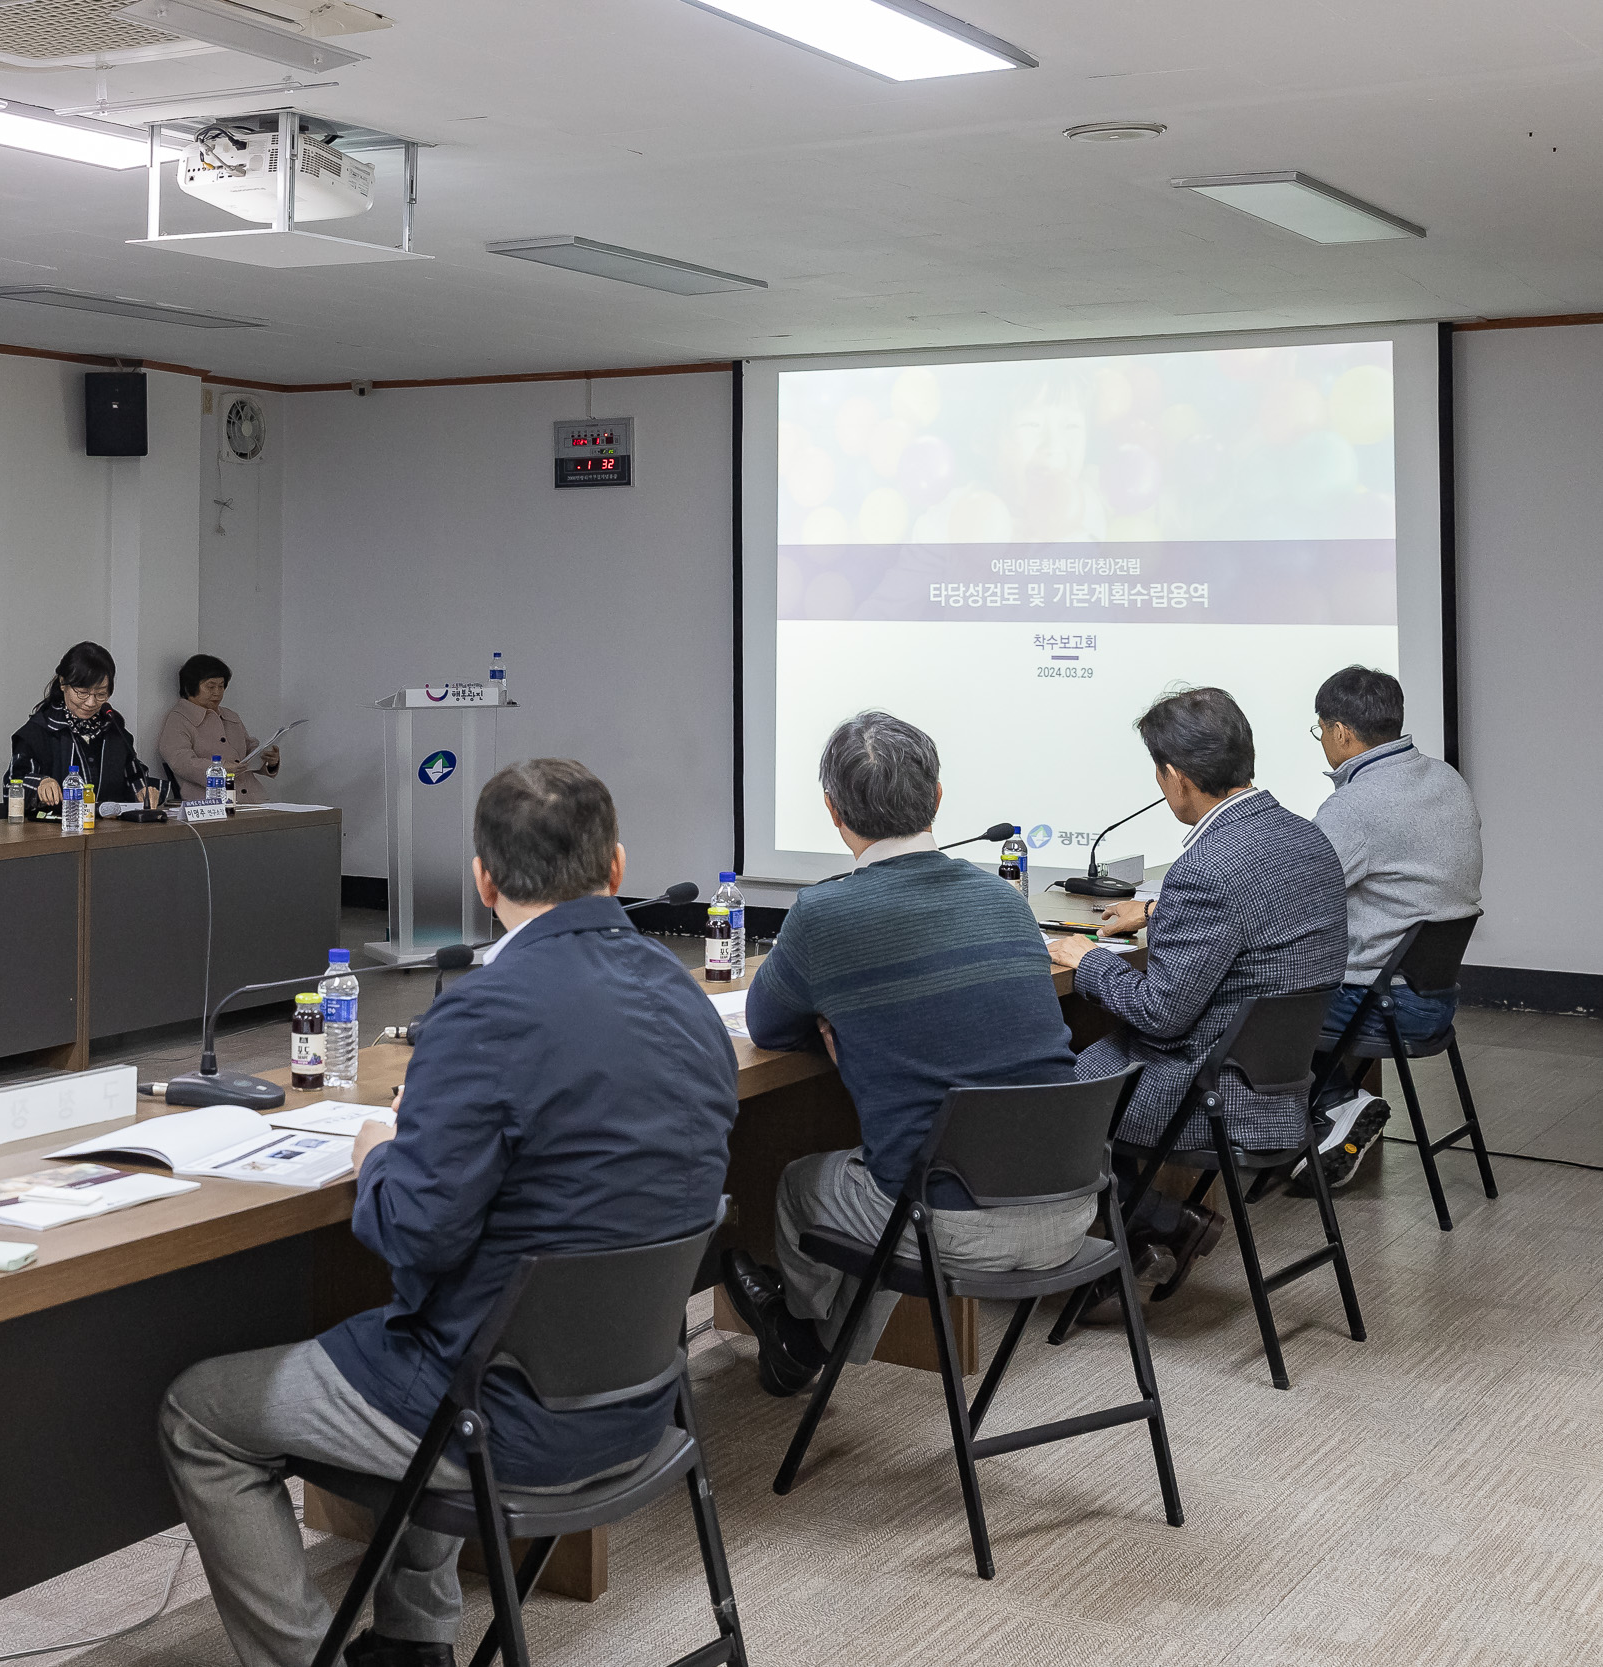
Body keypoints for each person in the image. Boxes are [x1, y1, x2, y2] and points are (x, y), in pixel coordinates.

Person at [160, 760, 735, 1667]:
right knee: (432, 1324)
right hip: (644, 1398)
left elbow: (412, 1231)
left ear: (484, 879)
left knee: (202, 1412)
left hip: (505, 1415)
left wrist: (378, 1158)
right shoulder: (688, 999)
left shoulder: (485, 1011)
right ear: (616, 868)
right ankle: (412, 1644)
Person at [725, 712, 1090, 1397]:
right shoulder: (1006, 901)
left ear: (832, 812)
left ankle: (803, 1342)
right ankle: (812, 1341)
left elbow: (767, 1026)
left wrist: (857, 1030)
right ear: (939, 797)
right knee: (898, 1167)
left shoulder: (824, 915)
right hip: (1073, 1204)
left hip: (953, 1223)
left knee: (805, 1184)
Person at [1048, 687, 1347, 1292]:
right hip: (1283, 1086)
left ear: (1176, 776)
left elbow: (1161, 1014)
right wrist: (1160, 912)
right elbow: (1253, 920)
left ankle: (1155, 1230)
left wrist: (1086, 961)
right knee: (1088, 1068)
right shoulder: (1304, 839)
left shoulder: (1206, 866)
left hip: (1214, 1097)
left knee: (1044, 1105)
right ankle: (1150, 1233)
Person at [1305, 665, 1484, 1186]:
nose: (1322, 742)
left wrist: (1157, 911)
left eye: (1320, 731)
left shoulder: (1356, 805)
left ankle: (1332, 1104)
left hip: (1383, 1008)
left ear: (1340, 731)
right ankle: (1328, 1112)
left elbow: (1291, 899)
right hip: (1435, 1000)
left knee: (1247, 997)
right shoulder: (1447, 779)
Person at [8, 641, 160, 816]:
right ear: (63, 683)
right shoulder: (38, 731)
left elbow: (134, 774)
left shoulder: (112, 727)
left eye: (101, 694)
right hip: (53, 835)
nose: (91, 702)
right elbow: (12, 785)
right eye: (82, 692)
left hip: (108, 832)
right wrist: (40, 784)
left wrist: (144, 790)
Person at [158, 653, 279, 803]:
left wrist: (268, 760)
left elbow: (250, 749)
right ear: (190, 687)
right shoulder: (179, 719)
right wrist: (219, 769)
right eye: (210, 686)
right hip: (209, 801)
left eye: (221, 686)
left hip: (252, 797)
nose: (217, 692)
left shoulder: (231, 716)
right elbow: (180, 761)